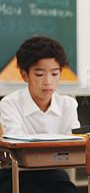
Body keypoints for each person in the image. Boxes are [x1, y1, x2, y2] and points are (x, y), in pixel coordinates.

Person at [0, 36, 80, 193]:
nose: (48, 81)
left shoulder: (68, 104)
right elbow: (18, 151)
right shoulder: (10, 104)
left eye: (55, 74)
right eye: (39, 74)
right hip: (16, 174)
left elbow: (75, 146)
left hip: (53, 173)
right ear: (24, 75)